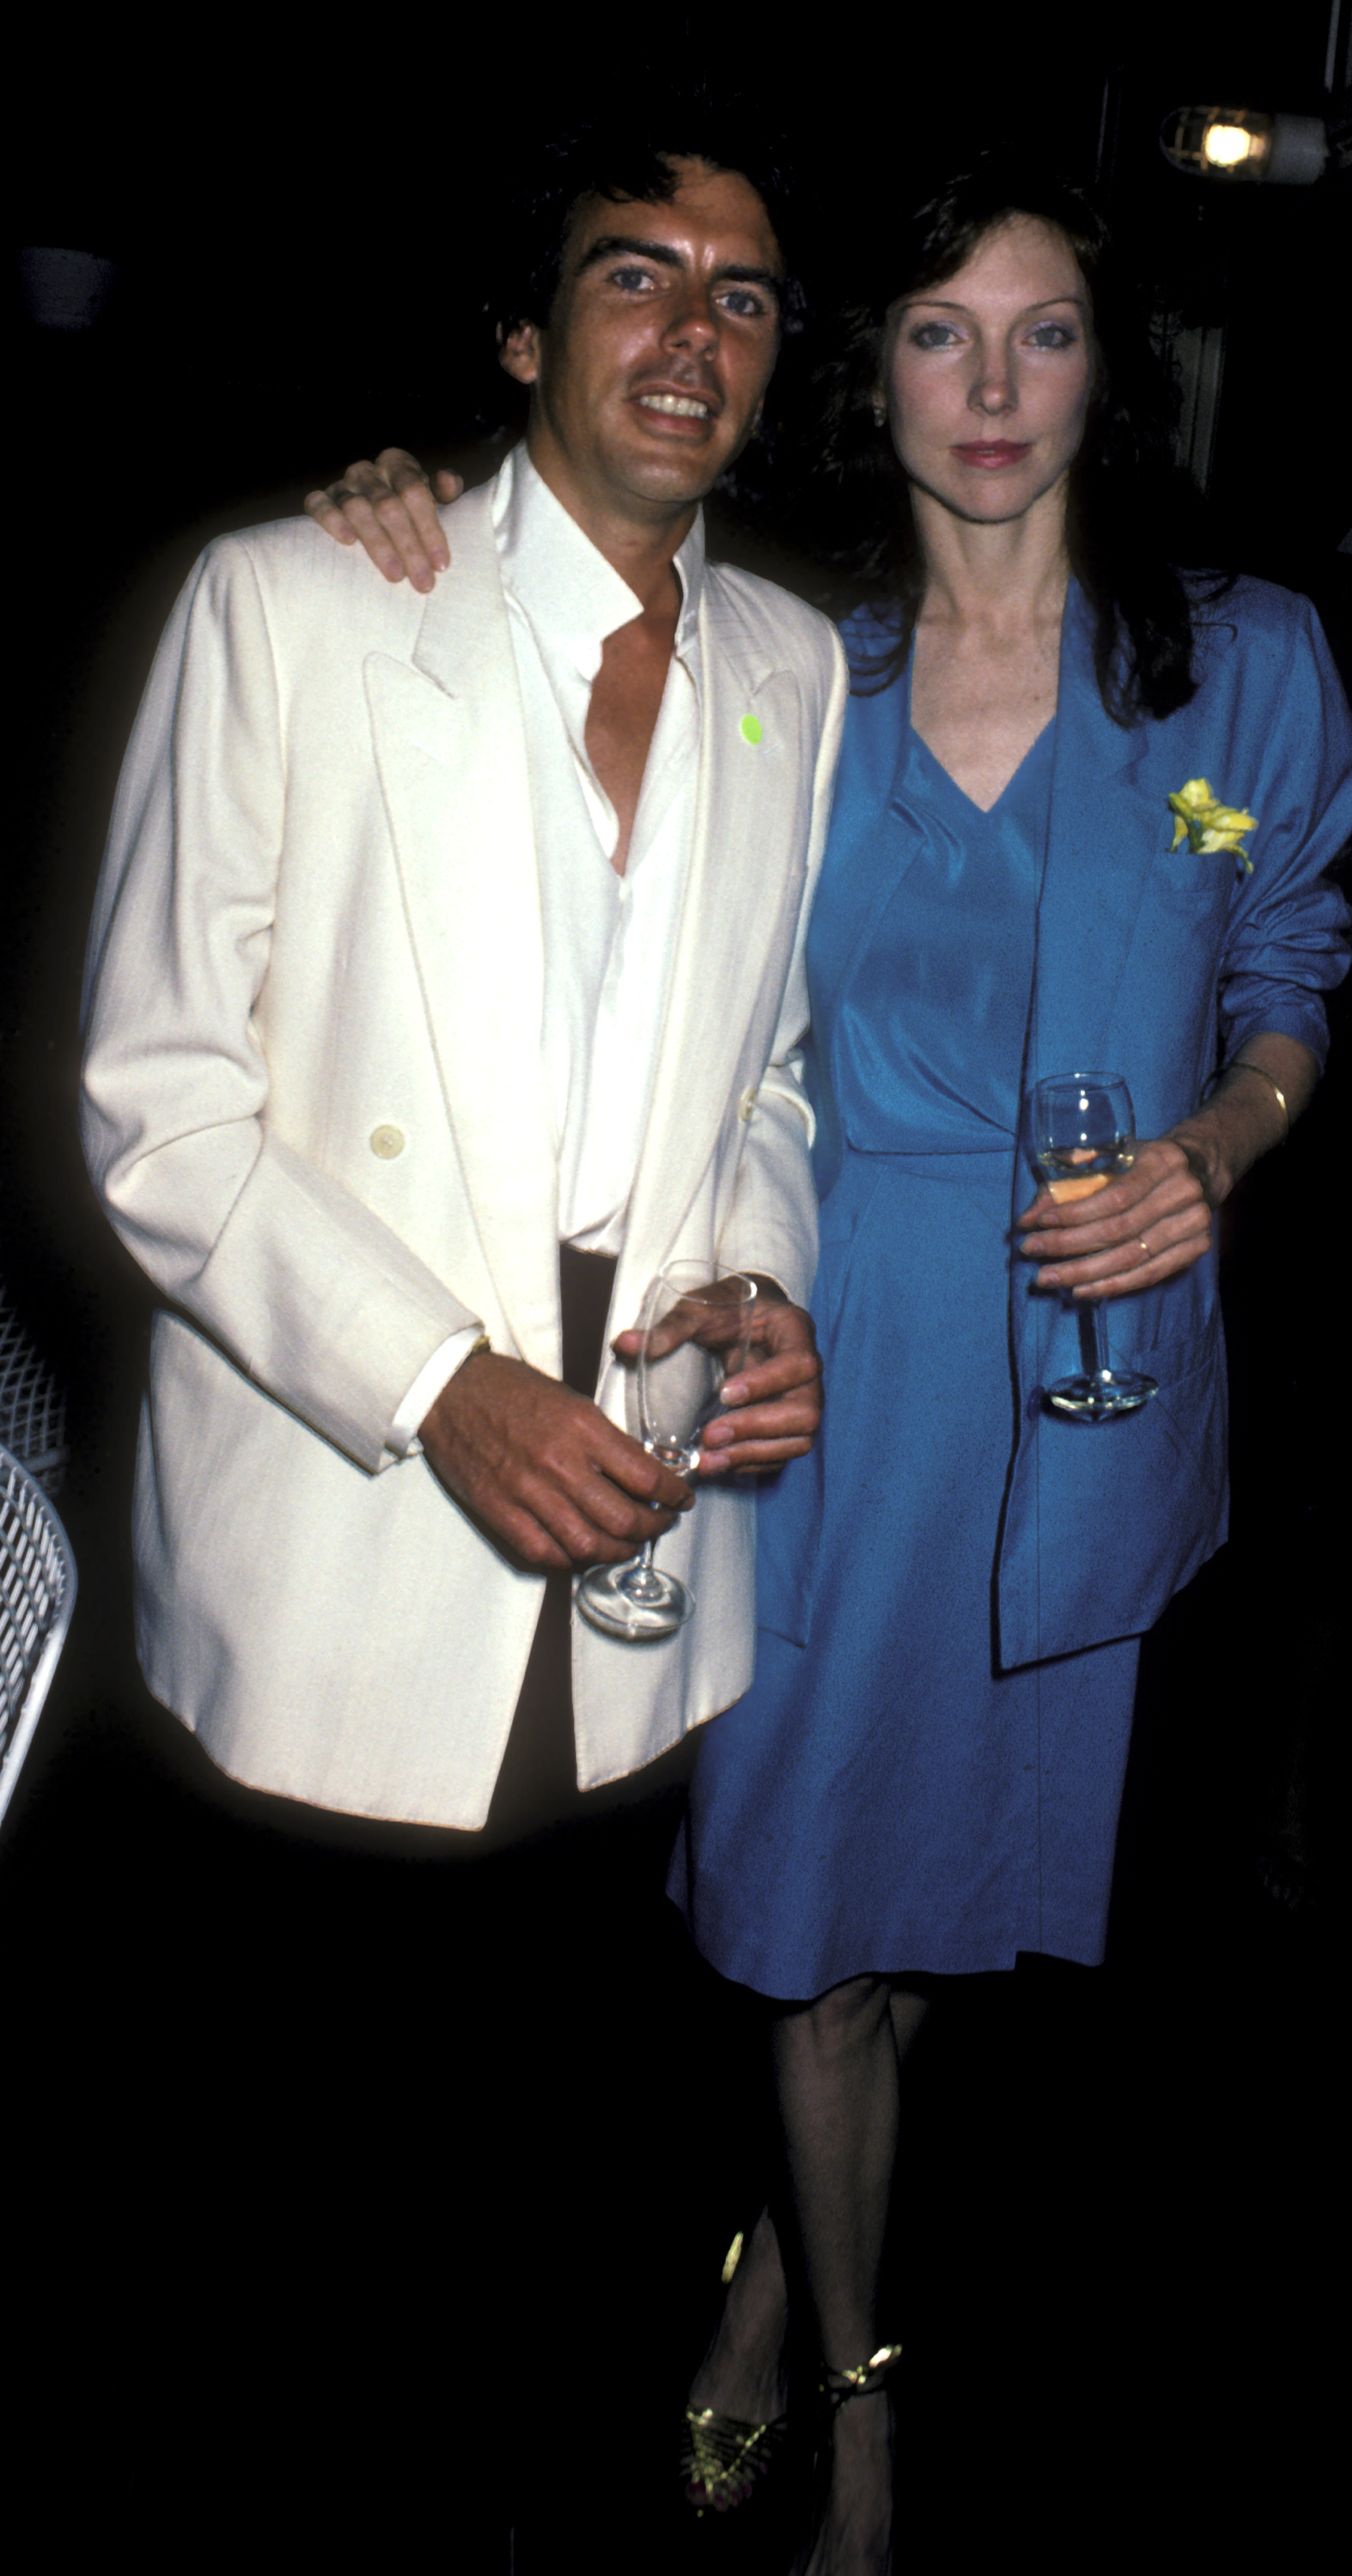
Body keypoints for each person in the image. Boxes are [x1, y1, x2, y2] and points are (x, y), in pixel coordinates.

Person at [305, 155, 1352, 2576]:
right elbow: (513, 705)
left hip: (1087, 1375)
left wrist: (1223, 1135)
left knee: (942, 1900)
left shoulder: (1208, 685)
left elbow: (1263, 914)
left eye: (1046, 334)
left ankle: (794, 2256)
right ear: (859, 370)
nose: (991, 395)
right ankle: (857, 2398)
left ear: (1119, 363)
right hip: (821, 1378)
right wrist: (389, 503)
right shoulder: (789, 676)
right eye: (932, 335)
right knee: (802, 1910)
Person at [78, 133, 843, 1850]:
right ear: (523, 337)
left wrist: (763, 1276)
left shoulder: (796, 670)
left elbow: (770, 1070)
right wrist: (439, 1385)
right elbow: (159, 1111)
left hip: (648, 1551)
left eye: (742, 297)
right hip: (338, 1527)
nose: (691, 335)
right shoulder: (290, 607)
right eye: (633, 274)